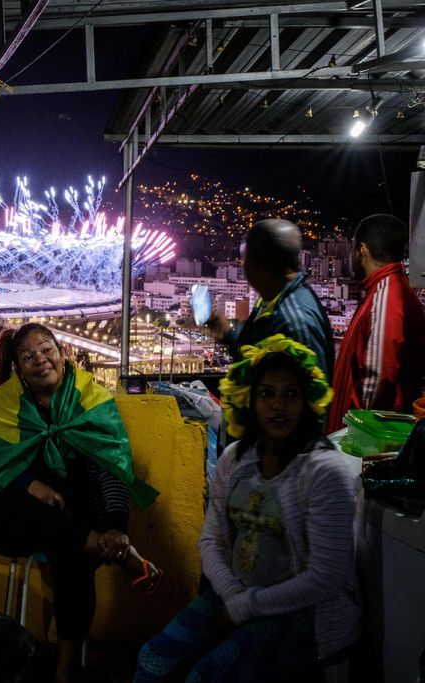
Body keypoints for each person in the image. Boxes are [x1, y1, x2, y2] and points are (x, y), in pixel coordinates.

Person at [135, 335, 360, 681]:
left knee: (209, 673)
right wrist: (233, 595)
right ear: (249, 400)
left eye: (290, 394)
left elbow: (325, 578)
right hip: (235, 594)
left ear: (307, 402)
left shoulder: (324, 472)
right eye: (266, 394)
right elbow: (211, 540)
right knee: (153, 658)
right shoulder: (236, 459)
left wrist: (245, 606)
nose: (278, 406)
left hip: (304, 614)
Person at [0, 323, 162, 683]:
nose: (41, 360)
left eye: (47, 350)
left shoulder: (89, 398)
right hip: (28, 521)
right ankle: (114, 552)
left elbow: (110, 466)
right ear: (19, 369)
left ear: (63, 353)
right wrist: (30, 484)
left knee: (71, 549)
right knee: (27, 514)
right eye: (28, 357)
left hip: (78, 513)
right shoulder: (9, 404)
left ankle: (65, 669)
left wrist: (117, 527)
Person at [328, 213, 425, 433]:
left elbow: (377, 377)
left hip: (362, 441)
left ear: (362, 250)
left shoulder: (386, 296)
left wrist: (355, 432)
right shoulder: (392, 290)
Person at [207, 218, 334, 379]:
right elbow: (263, 353)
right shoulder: (271, 299)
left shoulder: (295, 322)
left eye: (245, 259)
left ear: (256, 266)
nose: (243, 265)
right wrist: (229, 332)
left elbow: (313, 389)